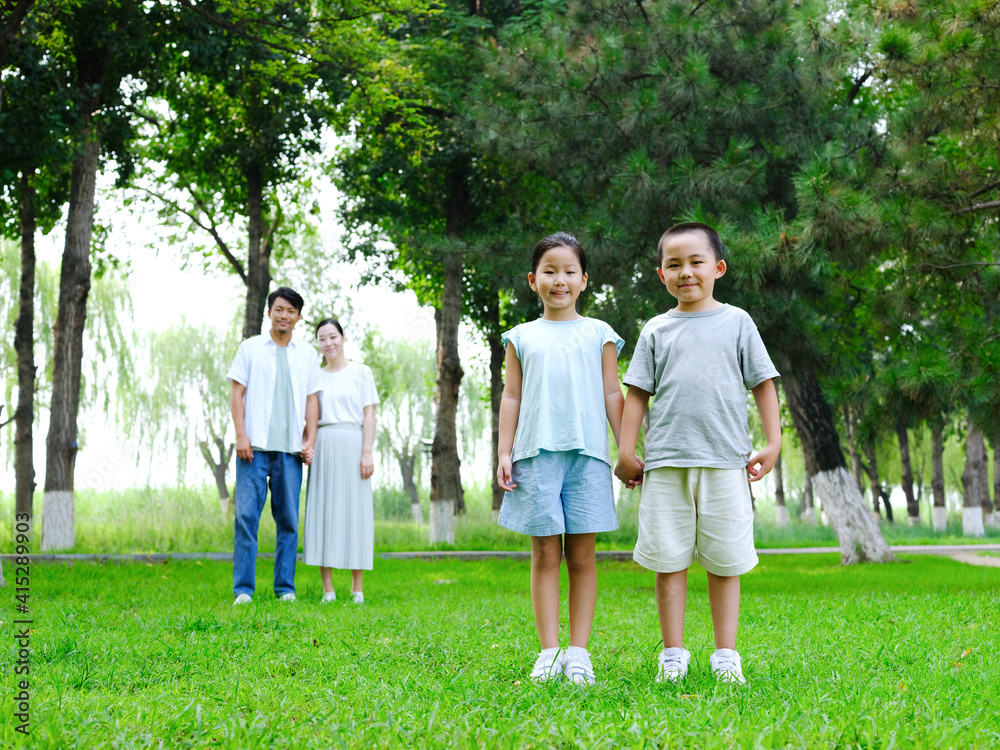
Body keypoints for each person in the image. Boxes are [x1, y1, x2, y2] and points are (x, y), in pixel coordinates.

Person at [614, 222, 781, 684]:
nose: (685, 272)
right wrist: (626, 451)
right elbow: (637, 394)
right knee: (669, 561)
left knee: (726, 563)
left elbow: (763, 384)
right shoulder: (656, 329)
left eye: (696, 262)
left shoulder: (737, 322)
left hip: (726, 462)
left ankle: (726, 655)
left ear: (718, 268)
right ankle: (674, 655)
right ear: (660, 274)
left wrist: (774, 441)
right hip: (666, 464)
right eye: (674, 264)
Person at [497, 232, 627, 686]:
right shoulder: (520, 337)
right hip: (535, 454)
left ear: (584, 280)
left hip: (588, 455)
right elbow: (511, 397)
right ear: (534, 281)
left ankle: (579, 653)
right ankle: (548, 652)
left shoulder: (599, 334)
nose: (560, 280)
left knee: (583, 556)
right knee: (545, 554)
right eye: (550, 271)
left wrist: (628, 448)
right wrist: (503, 451)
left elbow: (614, 393)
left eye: (569, 271)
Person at [227, 287, 321, 605]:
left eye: (291, 311)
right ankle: (243, 589)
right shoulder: (251, 348)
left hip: (290, 450)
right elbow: (237, 394)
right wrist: (241, 435)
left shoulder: (307, 354)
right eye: (279, 309)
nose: (284, 315)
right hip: (253, 449)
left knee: (289, 521)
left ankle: (285, 588)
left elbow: (312, 400)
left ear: (298, 317)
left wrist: (310, 439)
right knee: (246, 518)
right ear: (269, 313)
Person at [303, 318, 379, 604]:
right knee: (325, 512)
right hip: (324, 444)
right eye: (322, 338)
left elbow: (369, 414)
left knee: (354, 513)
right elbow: (308, 415)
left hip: (353, 442)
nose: (328, 343)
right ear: (318, 343)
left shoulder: (361, 372)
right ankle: (328, 589)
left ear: (343, 338)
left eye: (333, 336)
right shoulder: (315, 376)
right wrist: (307, 443)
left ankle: (357, 588)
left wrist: (367, 451)